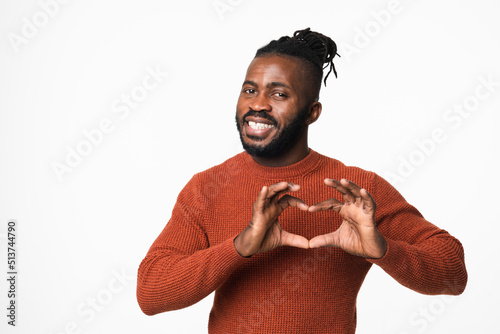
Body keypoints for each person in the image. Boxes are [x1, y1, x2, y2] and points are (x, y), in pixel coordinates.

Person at [137, 28, 467, 333]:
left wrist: (382, 249)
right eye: (250, 89)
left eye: (279, 94)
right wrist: (241, 246)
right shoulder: (207, 188)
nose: (258, 104)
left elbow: (453, 273)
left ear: (312, 112)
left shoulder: (355, 190)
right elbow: (150, 293)